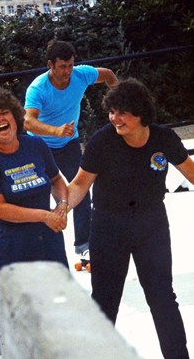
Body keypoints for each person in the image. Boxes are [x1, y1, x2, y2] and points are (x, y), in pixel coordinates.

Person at [67, 77, 194, 359]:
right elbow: (78, 185)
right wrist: (60, 208)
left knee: (163, 298)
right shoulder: (102, 141)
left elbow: (191, 172)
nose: (115, 118)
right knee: (104, 301)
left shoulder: (164, 138)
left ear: (140, 113)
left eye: (122, 112)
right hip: (108, 227)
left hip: (152, 225)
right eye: (112, 111)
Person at [0, 86, 69, 356]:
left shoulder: (35, 144)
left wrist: (61, 206)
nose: (1, 119)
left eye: (5, 112)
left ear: (15, 117)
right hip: (9, 245)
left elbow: (57, 180)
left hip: (48, 239)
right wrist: (45, 215)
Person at [24, 39, 118, 256]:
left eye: (70, 65)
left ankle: (84, 244)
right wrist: (55, 131)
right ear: (50, 65)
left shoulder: (81, 74)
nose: (67, 71)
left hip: (69, 145)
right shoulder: (38, 88)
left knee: (82, 191)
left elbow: (109, 74)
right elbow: (28, 122)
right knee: (37, 197)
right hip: (39, 148)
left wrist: (120, 100)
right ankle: (39, 248)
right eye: (62, 67)